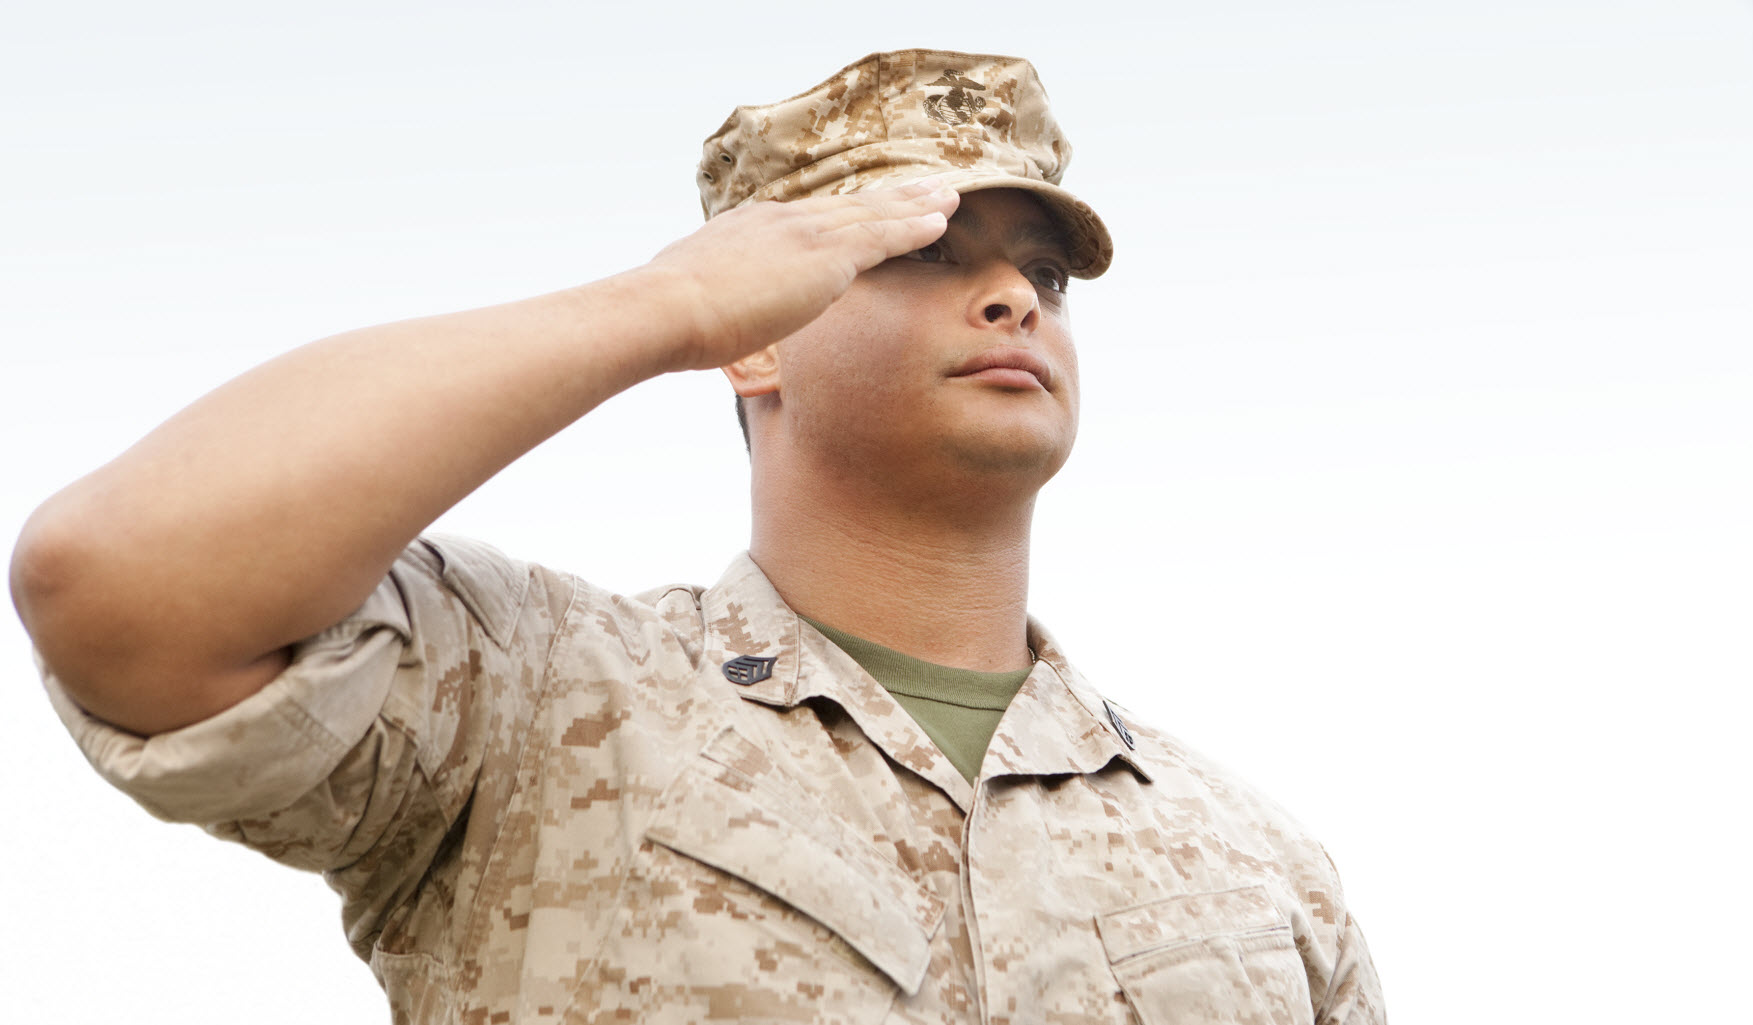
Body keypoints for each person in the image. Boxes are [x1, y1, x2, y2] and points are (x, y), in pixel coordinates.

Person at [10, 49, 1384, 1024]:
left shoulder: (1251, 863)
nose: (1012, 301)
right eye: (919, 251)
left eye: (1039, 275)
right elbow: (115, 579)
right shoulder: (537, 700)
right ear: (760, 332)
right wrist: (660, 306)